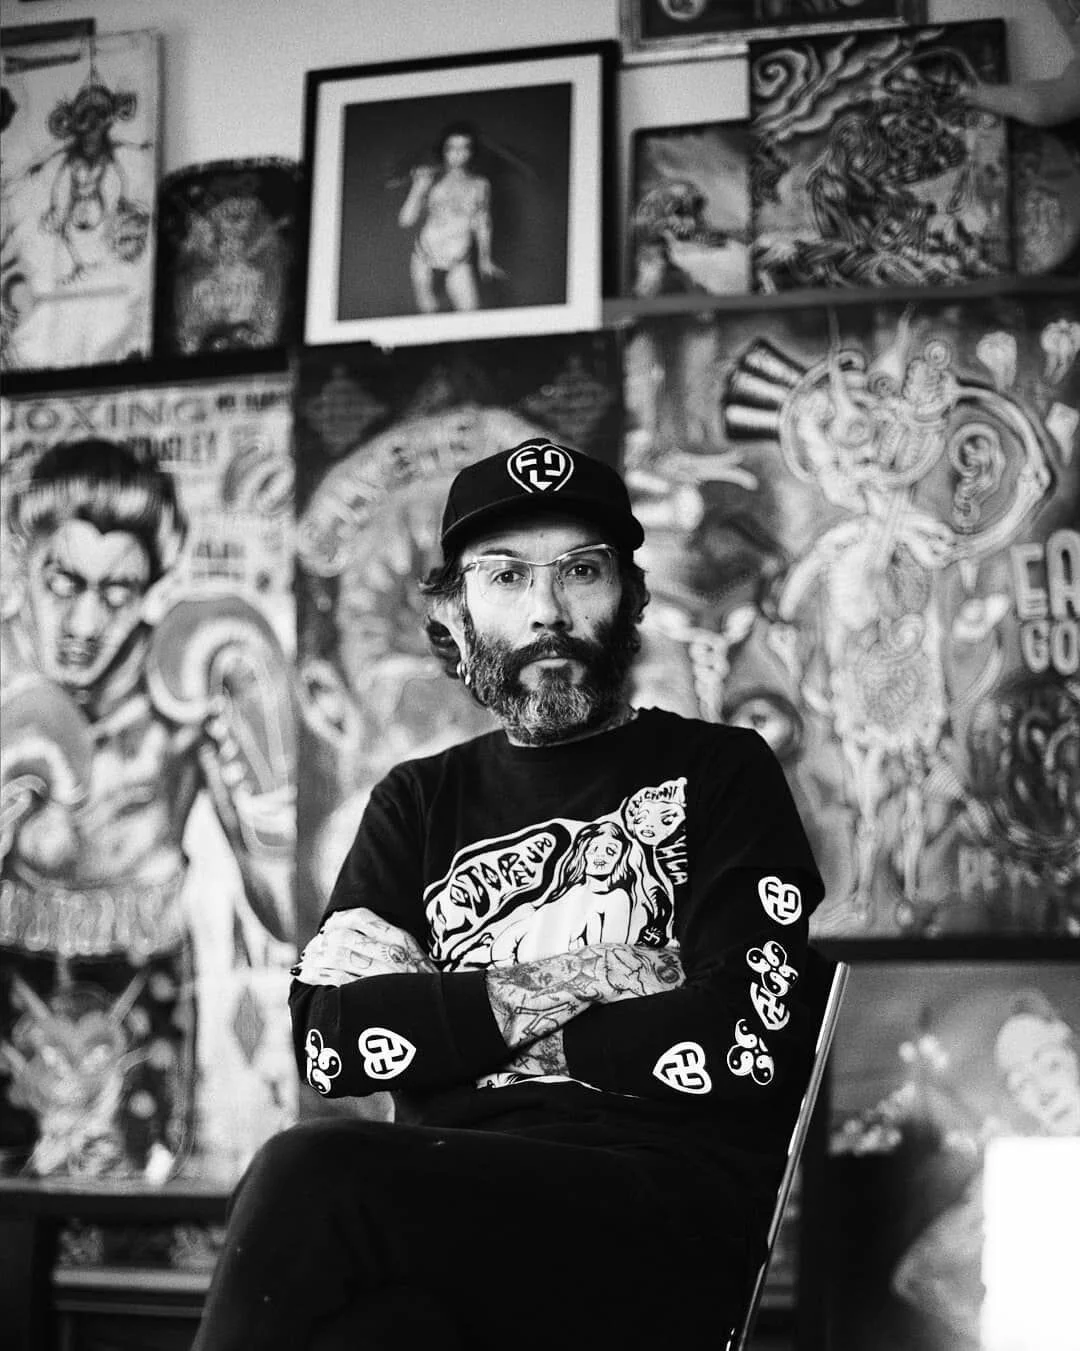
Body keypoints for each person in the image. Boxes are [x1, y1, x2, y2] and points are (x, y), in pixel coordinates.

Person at [191, 436, 825, 1351]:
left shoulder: (721, 771)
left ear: (632, 598)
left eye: (582, 571)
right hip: (446, 1221)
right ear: (453, 613)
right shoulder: (416, 801)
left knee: (311, 1169)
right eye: (506, 575)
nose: (547, 611)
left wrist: (446, 1025)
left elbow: (746, 1040)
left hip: (655, 1221)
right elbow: (331, 1043)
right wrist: (609, 972)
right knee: (376, 1335)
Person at [0, 438, 295, 1177]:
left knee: (140, 1189)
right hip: (5, 965)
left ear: (151, 587)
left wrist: (263, 770)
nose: (85, 622)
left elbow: (285, 912)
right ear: (21, 559)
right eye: (63, 581)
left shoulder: (184, 685)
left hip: (144, 971)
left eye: (117, 591)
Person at [396, 121, 503, 313]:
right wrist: (418, 189)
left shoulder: (480, 185)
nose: (458, 153)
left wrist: (485, 258)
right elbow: (405, 221)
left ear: (472, 151)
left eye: (464, 147)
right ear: (443, 150)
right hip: (425, 259)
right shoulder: (431, 180)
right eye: (452, 148)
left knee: (470, 313)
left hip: (458, 261)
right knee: (429, 316)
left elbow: (482, 222)